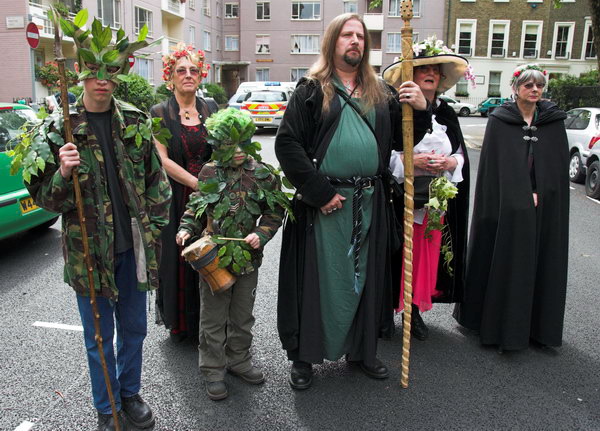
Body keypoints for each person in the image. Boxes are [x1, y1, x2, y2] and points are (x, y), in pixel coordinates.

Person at [23, 13, 172, 431]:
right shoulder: (58, 130)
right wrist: (63, 173)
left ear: (119, 75)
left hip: (132, 249)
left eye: (110, 71)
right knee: (98, 337)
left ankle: (129, 393)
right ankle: (106, 406)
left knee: (135, 328)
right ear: (80, 74)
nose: (101, 80)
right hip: (89, 253)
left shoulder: (136, 121)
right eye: (94, 71)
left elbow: (156, 183)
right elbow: (44, 200)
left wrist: (155, 231)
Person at [275, 13, 431, 390]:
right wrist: (321, 192)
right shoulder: (311, 89)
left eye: (360, 36)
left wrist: (420, 112)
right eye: (347, 35)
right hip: (324, 205)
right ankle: (304, 357)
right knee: (317, 281)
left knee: (366, 279)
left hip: (369, 201)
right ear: (333, 42)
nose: (355, 41)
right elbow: (287, 144)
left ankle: (362, 352)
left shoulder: (382, 93)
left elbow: (400, 141)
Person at [454, 64, 569, 352]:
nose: (534, 90)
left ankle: (536, 327)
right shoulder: (500, 120)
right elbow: (497, 171)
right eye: (528, 85)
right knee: (506, 258)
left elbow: (555, 166)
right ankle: (496, 325)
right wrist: (520, 194)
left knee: (541, 259)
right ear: (516, 88)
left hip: (544, 205)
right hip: (506, 205)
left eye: (539, 86)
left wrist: (541, 191)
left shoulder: (553, 122)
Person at [176, 108, 286, 400]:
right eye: (229, 144)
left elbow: (275, 213)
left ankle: (238, 360)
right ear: (218, 144)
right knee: (213, 317)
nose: (237, 150)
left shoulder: (262, 173)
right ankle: (213, 369)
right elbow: (195, 206)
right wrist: (186, 228)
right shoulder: (210, 171)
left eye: (241, 142)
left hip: (247, 259)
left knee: (241, 315)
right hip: (214, 257)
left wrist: (261, 234)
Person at [383, 37, 471, 341]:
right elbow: (385, 154)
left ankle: (413, 311)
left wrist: (449, 163)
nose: (430, 73)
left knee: (424, 258)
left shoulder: (447, 114)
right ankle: (386, 312)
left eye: (435, 69)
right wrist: (412, 161)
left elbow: (461, 156)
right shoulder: (396, 109)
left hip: (435, 202)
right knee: (398, 255)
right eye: (424, 69)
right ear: (412, 76)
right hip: (402, 201)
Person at [150, 42, 214, 343]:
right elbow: (161, 159)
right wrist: (195, 183)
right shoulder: (160, 112)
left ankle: (209, 319)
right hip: (176, 197)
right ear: (170, 77)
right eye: (181, 70)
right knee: (179, 257)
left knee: (211, 252)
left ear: (200, 76)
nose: (188, 75)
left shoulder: (210, 109)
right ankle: (183, 324)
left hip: (211, 195)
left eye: (193, 70)